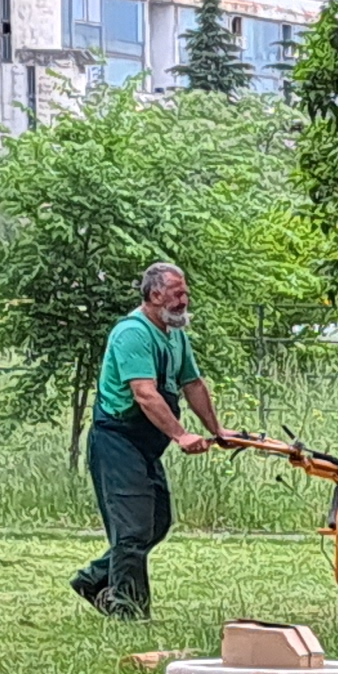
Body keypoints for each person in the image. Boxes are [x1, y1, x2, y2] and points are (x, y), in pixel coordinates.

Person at [70, 262, 239, 622]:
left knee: (158, 521)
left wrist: (218, 430)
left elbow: (192, 384)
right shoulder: (132, 333)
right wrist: (181, 434)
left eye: (185, 291)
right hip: (117, 439)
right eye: (177, 292)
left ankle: (93, 580)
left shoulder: (175, 334)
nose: (184, 299)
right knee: (131, 529)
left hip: (145, 444)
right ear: (155, 294)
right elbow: (145, 394)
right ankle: (129, 611)